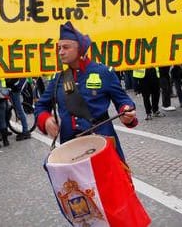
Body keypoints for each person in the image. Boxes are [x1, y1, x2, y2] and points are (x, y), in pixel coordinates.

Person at [35, 21, 137, 161]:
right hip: (71, 148)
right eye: (59, 48)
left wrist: (126, 110)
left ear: (80, 49)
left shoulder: (103, 72)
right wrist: (45, 119)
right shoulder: (58, 79)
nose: (60, 52)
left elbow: (123, 100)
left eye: (65, 47)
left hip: (102, 145)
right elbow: (41, 106)